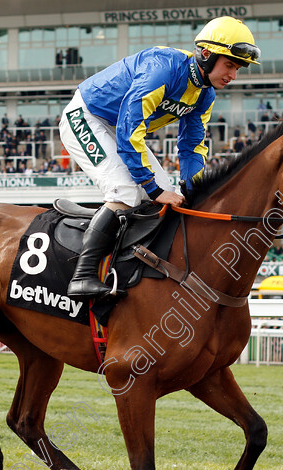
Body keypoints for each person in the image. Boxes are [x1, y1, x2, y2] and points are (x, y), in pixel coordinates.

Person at [59, 16, 261, 298]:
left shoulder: (205, 95)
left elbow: (191, 147)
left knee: (170, 194)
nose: (233, 75)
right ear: (206, 54)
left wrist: (194, 190)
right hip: (87, 116)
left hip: (120, 127)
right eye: (229, 65)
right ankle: (83, 275)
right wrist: (153, 189)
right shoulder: (162, 69)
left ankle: (130, 269)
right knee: (128, 189)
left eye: (237, 68)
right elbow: (130, 131)